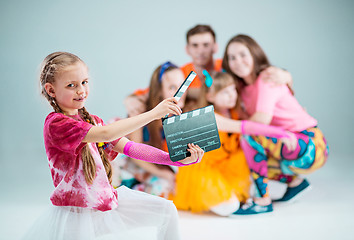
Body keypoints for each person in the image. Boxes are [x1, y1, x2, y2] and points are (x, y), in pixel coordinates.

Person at [23, 51, 204, 240]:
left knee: (166, 210)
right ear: (51, 90)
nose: (81, 90)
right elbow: (106, 134)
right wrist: (153, 113)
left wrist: (175, 159)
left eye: (84, 82)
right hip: (77, 217)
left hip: (106, 203)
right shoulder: (56, 124)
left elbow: (131, 148)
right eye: (71, 85)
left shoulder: (93, 121)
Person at [222, 34, 329, 215]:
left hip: (311, 145)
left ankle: (262, 201)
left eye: (242, 54)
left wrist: (224, 124)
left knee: (249, 136)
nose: (237, 61)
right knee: (242, 154)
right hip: (290, 144)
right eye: (232, 58)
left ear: (254, 54)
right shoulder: (242, 89)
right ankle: (295, 184)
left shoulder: (267, 77)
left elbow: (261, 121)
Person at [173, 71, 298, 216]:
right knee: (230, 206)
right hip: (204, 170)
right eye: (225, 92)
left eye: (233, 89)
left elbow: (256, 124)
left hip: (225, 166)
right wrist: (279, 133)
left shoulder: (234, 111)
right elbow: (245, 127)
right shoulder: (210, 116)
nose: (232, 95)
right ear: (210, 97)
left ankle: (292, 181)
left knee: (248, 151)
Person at [116, 61, 187, 198]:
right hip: (128, 157)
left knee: (168, 186)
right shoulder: (142, 109)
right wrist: (161, 173)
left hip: (150, 161)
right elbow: (134, 153)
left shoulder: (181, 111)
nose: (180, 92)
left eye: (182, 86)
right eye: (172, 87)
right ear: (160, 90)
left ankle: (137, 189)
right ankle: (126, 187)